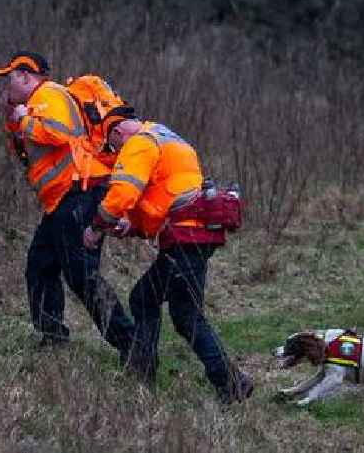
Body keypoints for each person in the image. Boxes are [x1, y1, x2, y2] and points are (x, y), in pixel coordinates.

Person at [83, 117, 254, 403]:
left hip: (185, 241)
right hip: (195, 237)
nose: (116, 155)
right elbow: (169, 197)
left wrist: (97, 225)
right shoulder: (168, 138)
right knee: (162, 305)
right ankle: (222, 380)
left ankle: (224, 380)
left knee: (174, 311)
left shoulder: (139, 143)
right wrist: (133, 226)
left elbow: (124, 192)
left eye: (113, 147)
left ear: (118, 132)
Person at [0, 51, 134, 360]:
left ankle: (132, 345)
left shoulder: (49, 94)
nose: (5, 84)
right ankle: (53, 339)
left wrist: (24, 119)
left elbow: (59, 132)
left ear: (27, 76)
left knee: (81, 275)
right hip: (62, 201)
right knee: (40, 267)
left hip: (79, 194)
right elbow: (26, 154)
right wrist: (15, 121)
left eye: (10, 77)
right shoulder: (32, 105)